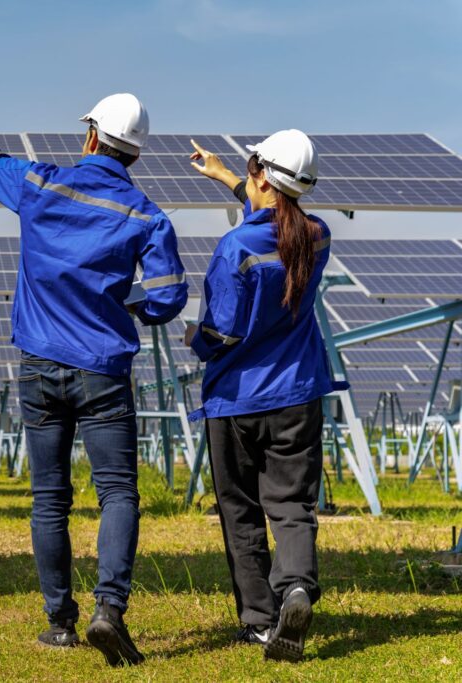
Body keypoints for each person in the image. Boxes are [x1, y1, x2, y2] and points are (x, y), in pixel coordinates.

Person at [0, 95, 188, 667]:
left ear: (91, 137)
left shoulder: (41, 184)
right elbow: (168, 297)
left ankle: (60, 622)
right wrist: (126, 306)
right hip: (103, 369)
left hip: (39, 366)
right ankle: (109, 610)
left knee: (50, 498)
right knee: (117, 493)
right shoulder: (147, 217)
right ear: (134, 154)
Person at [185, 130, 334, 662]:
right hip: (297, 393)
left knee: (240, 509)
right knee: (292, 505)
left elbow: (221, 331)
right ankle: (295, 589)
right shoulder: (318, 237)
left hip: (237, 398)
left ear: (263, 177)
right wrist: (228, 177)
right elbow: (279, 219)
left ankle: (259, 621)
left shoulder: (235, 247)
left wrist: (194, 338)